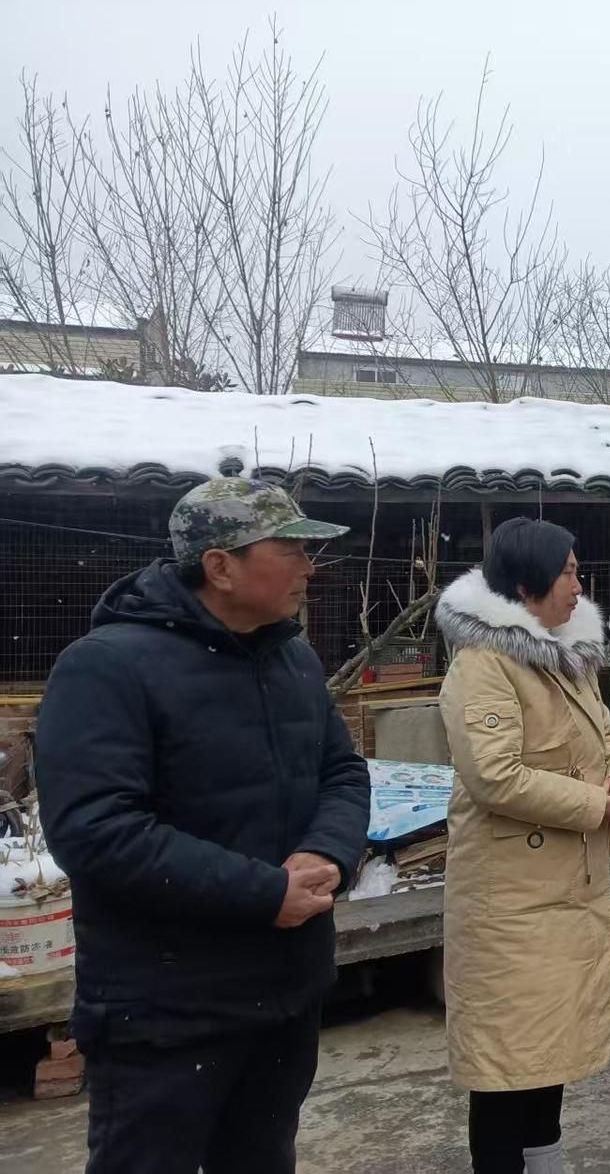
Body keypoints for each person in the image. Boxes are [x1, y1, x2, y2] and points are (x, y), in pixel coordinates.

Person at [34, 477, 370, 1174]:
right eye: (290, 549)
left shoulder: (292, 659)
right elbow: (96, 831)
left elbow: (342, 772)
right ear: (220, 566)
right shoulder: (107, 667)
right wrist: (262, 894)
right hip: (166, 1011)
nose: (309, 568)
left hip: (285, 996)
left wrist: (327, 852)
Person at [435, 517, 610, 1174]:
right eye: (568, 573)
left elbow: (602, 731)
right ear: (526, 584)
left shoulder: (565, 654)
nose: (578, 586)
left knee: (549, 1051)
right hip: (510, 905)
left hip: (565, 891)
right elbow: (495, 775)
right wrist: (594, 805)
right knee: (506, 1066)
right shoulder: (483, 665)